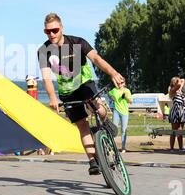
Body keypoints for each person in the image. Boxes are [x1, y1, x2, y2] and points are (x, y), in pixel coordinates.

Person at [37, 13, 124, 175]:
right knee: (82, 126)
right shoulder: (43, 51)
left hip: (84, 84)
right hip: (67, 91)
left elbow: (96, 59)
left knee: (98, 107)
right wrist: (52, 97)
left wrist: (113, 73)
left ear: (61, 28)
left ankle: (105, 121)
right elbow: (46, 78)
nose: (52, 34)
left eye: (55, 30)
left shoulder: (77, 42)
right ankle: (93, 160)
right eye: (48, 32)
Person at [108, 81, 132, 153]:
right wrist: (112, 98)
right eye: (118, 83)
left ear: (124, 83)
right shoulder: (114, 90)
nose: (120, 84)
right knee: (113, 129)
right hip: (116, 112)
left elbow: (130, 101)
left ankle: (123, 147)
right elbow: (109, 94)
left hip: (124, 113)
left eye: (122, 83)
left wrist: (126, 97)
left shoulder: (127, 90)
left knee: (124, 130)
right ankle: (112, 147)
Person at [168, 77, 185, 151]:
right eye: (177, 81)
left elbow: (183, 81)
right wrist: (180, 81)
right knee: (174, 130)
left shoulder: (180, 90)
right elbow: (179, 84)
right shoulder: (172, 90)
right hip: (175, 111)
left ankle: (180, 148)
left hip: (181, 111)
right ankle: (171, 148)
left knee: (180, 130)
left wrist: (181, 81)